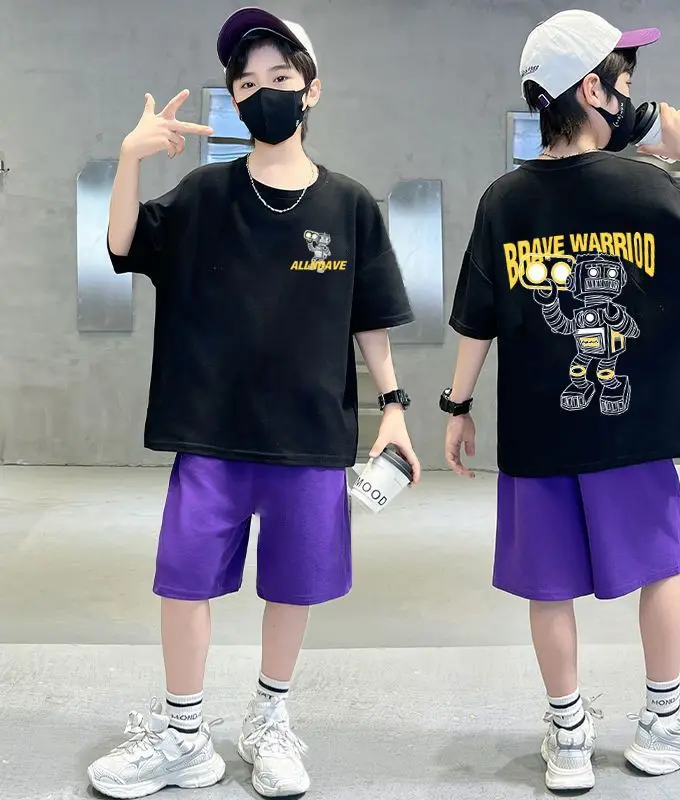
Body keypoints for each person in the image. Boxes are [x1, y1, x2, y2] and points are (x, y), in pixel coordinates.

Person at [87, 7, 419, 798]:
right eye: (247, 83)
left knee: (292, 586)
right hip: (212, 430)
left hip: (309, 434)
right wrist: (129, 159)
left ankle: (270, 721)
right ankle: (182, 735)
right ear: (234, 100)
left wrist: (395, 408)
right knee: (184, 581)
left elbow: (370, 319)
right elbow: (124, 245)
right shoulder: (205, 194)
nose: (264, 92)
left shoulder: (350, 206)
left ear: (311, 89)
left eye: (280, 76)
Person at [442, 9, 680, 794]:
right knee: (663, 566)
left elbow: (477, 312)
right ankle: (664, 720)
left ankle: (570, 736)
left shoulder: (504, 199)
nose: (632, 94)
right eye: (625, 79)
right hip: (631, 430)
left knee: (548, 584)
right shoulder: (643, 184)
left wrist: (456, 407)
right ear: (592, 89)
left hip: (540, 435)